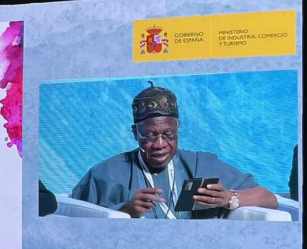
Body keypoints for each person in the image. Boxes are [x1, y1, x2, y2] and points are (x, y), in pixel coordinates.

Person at [71, 83, 278, 218]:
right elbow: (73, 218)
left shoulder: (200, 164)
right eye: (150, 135)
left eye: (168, 134)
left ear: (177, 128)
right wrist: (126, 211)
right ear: (135, 133)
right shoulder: (106, 173)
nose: (160, 144)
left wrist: (229, 198)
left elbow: (269, 198)